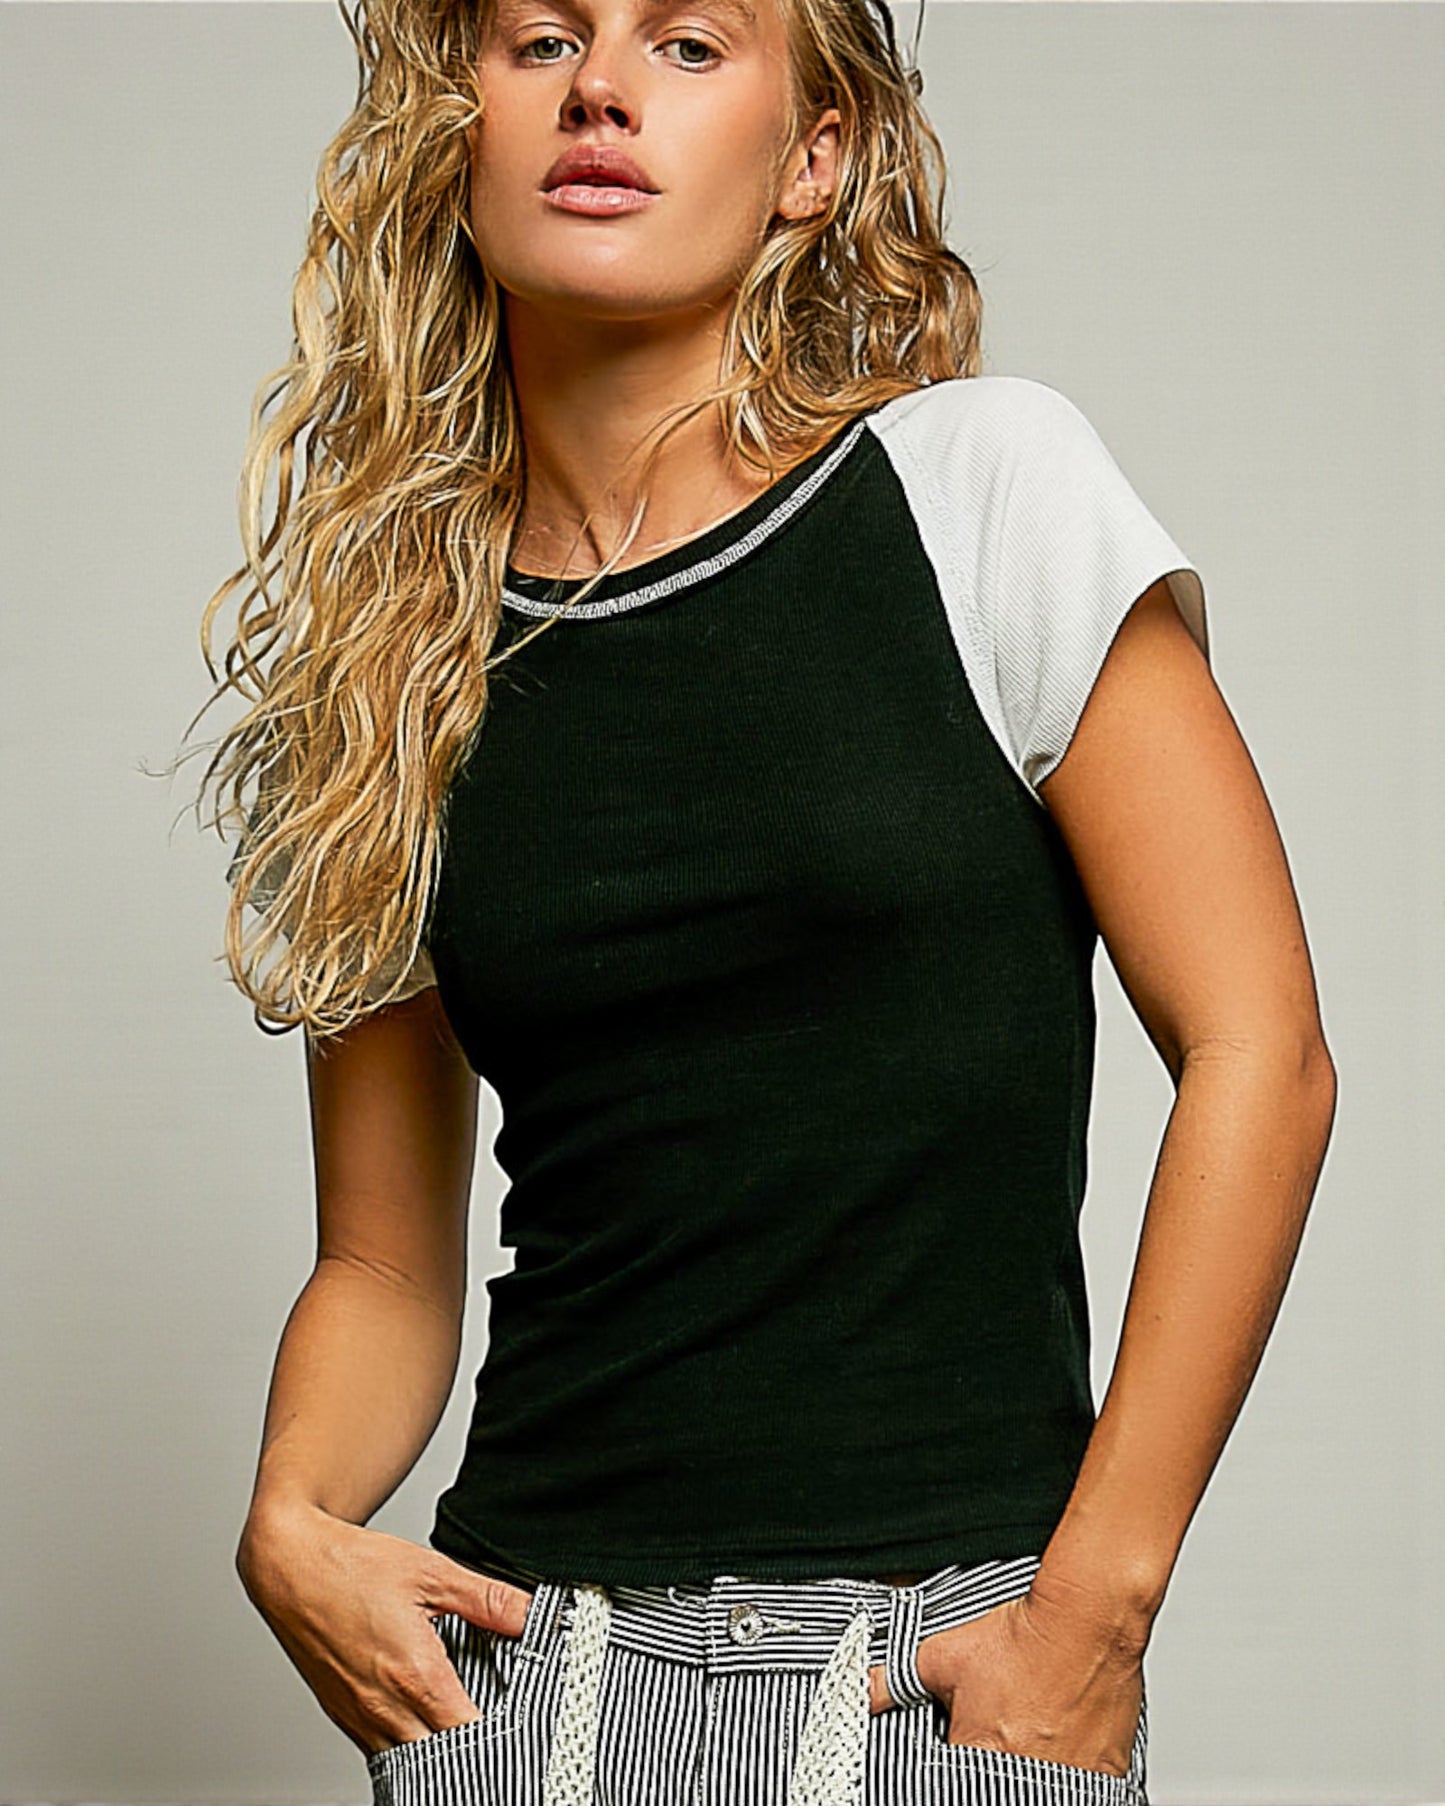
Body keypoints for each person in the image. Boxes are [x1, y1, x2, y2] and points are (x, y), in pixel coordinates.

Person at [196, 0, 1338, 1799]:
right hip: (526, 1684)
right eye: (539, 39)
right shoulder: (396, 668)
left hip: (940, 1680)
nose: (598, 85)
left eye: (689, 43)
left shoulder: (980, 494)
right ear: (461, 122)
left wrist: (1094, 1608)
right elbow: (386, 1259)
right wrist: (289, 1515)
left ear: (811, 164)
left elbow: (1259, 1050)